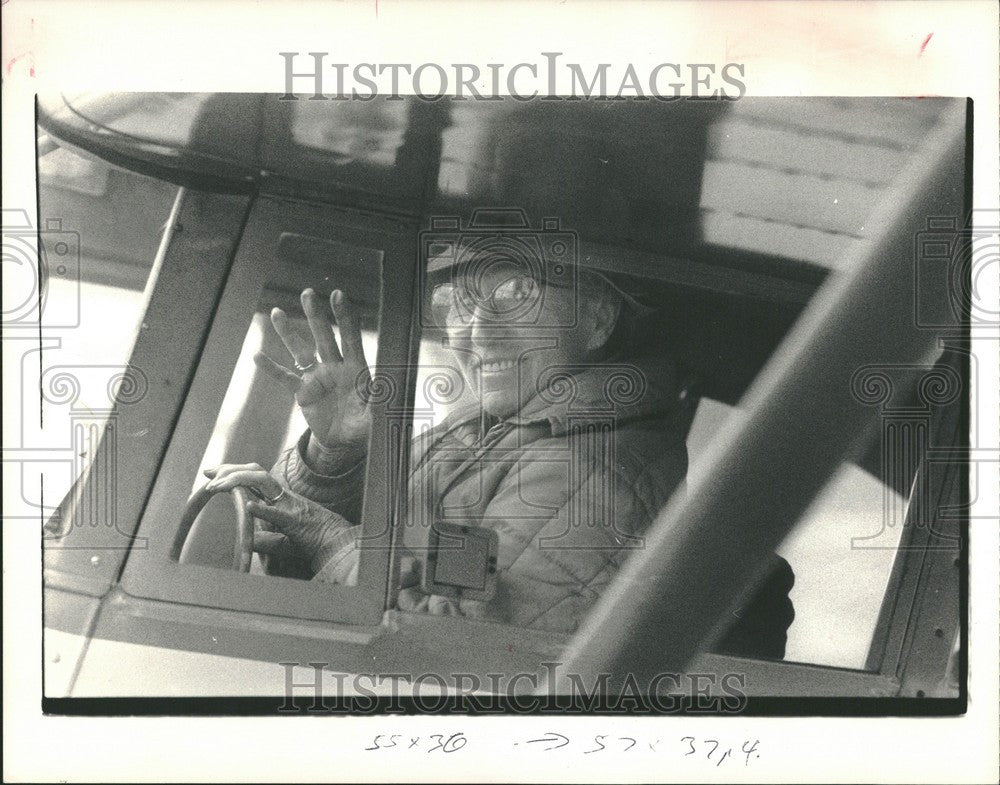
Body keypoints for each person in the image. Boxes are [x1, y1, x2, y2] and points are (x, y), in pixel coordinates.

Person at [205, 253, 794, 655]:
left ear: (597, 319)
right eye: (455, 302)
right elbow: (447, 558)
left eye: (517, 294)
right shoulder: (498, 426)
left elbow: (476, 636)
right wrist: (338, 457)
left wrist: (335, 544)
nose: (474, 331)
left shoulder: (593, 469)